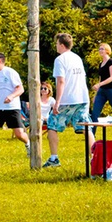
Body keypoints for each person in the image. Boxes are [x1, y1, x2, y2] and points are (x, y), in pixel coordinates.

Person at [45, 34, 95, 168]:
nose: (55, 46)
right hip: (82, 98)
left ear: (61, 45)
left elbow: (61, 81)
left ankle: (54, 158)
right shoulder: (77, 58)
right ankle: (94, 158)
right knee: (86, 128)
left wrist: (57, 102)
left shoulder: (60, 60)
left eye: (57, 43)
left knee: (51, 125)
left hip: (68, 99)